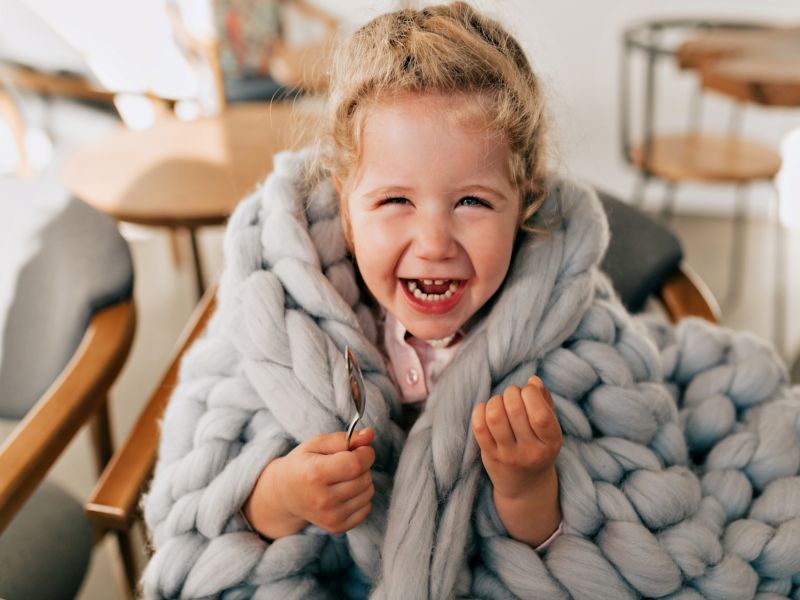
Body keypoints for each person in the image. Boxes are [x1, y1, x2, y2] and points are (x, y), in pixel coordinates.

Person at [142, 3, 800, 599]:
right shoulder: (275, 322)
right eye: (394, 201)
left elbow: (604, 555)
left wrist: (527, 487)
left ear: (524, 205)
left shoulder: (579, 343)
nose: (433, 243)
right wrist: (283, 497)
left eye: (472, 203)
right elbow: (194, 522)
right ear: (345, 205)